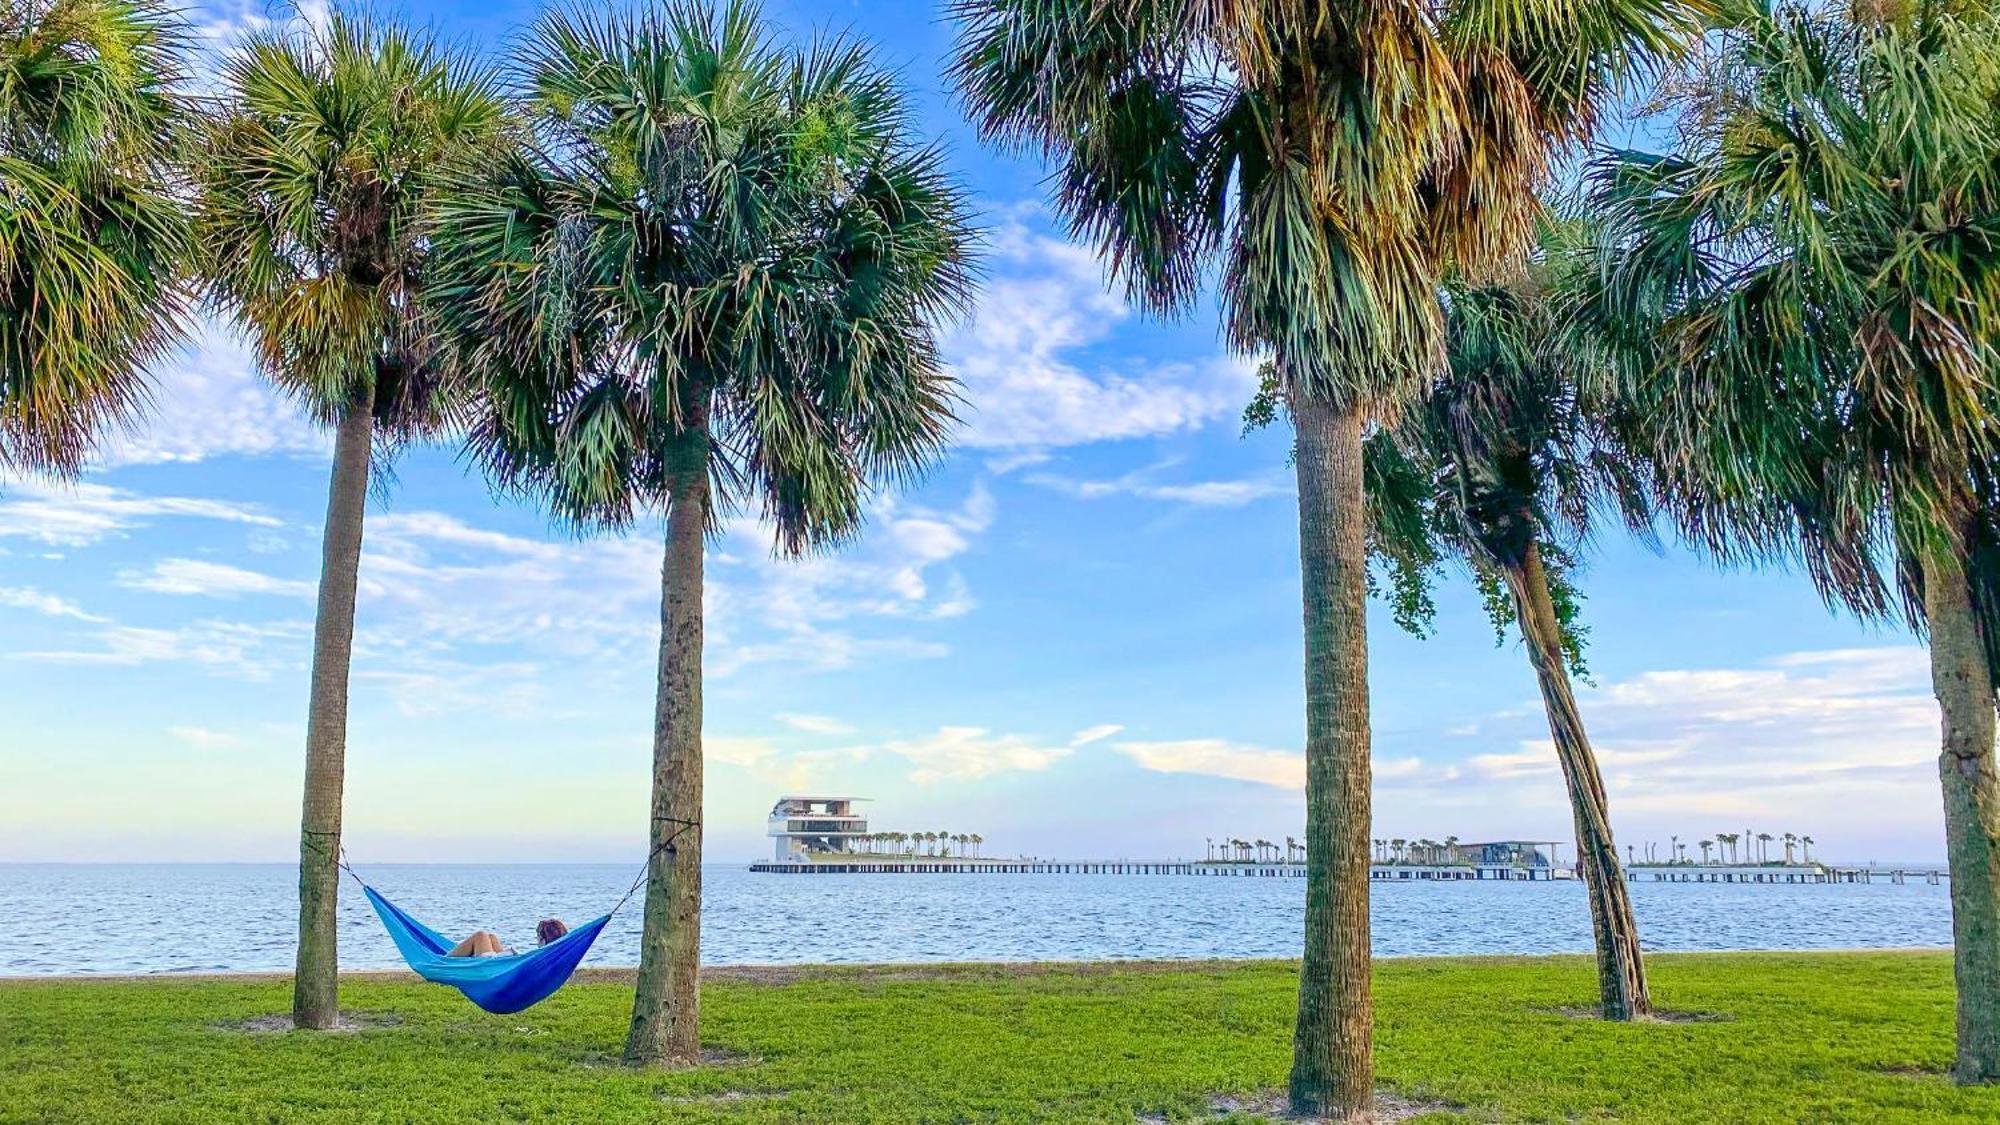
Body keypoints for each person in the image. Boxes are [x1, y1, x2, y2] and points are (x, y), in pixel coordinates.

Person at [446, 918, 568, 958]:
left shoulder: (544, 956)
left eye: (537, 936)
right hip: (503, 968)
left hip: (490, 970)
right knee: (491, 937)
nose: (536, 940)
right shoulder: (555, 955)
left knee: (481, 935)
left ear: (542, 939)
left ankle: (441, 962)